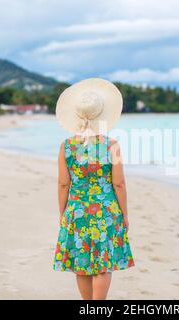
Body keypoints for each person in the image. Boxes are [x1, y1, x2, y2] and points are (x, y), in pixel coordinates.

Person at [53, 78, 134, 300]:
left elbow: (63, 184)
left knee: (82, 265)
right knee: (102, 265)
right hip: (106, 212)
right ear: (103, 114)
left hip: (77, 210)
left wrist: (63, 213)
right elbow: (118, 183)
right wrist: (124, 214)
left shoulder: (67, 146)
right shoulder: (112, 145)